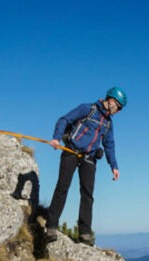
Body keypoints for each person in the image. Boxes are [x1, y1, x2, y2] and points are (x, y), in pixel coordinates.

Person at [45, 87, 127, 246]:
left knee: (87, 195)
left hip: (89, 157)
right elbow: (64, 120)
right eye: (118, 107)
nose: (118, 111)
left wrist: (114, 166)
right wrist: (56, 139)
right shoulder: (87, 109)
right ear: (110, 100)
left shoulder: (108, 123)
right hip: (71, 151)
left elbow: (109, 145)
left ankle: (84, 233)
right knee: (62, 187)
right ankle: (51, 226)